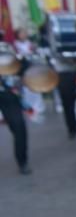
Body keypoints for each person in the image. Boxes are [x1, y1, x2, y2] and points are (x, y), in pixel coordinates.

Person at [0, 43, 30, 174]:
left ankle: (22, 162)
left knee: (19, 128)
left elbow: (26, 68)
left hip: (10, 97)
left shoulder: (8, 49)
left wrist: (22, 60)